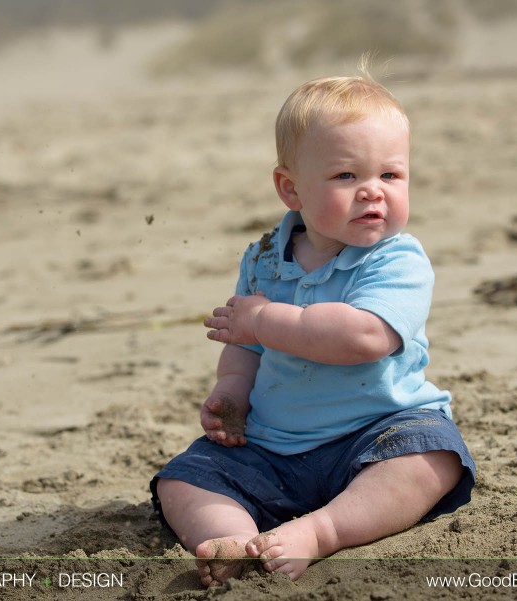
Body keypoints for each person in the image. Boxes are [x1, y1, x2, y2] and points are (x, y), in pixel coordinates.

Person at [150, 68, 476, 587]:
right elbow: (245, 347)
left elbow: (364, 337)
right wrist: (231, 393)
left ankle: (321, 531)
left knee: (432, 456)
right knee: (185, 479)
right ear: (290, 188)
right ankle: (234, 537)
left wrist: (266, 318)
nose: (372, 192)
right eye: (346, 176)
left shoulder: (397, 261)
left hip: (375, 434)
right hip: (271, 446)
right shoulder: (263, 258)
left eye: (390, 176)